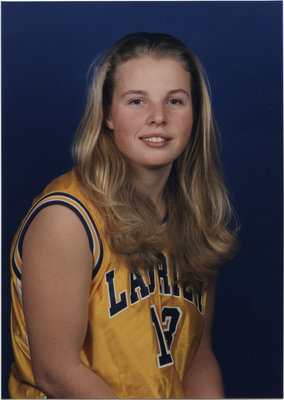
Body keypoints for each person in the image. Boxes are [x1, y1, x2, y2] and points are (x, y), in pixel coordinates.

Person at [9, 32, 239, 399]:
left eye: (175, 101)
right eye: (136, 101)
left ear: (195, 113)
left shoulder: (194, 217)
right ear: (107, 115)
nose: (158, 117)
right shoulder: (67, 218)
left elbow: (198, 357)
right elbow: (56, 372)